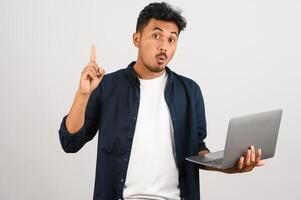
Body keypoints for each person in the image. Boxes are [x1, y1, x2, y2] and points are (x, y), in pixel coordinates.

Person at [59, 2, 264, 200]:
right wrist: (83, 94)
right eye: (156, 35)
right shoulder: (107, 86)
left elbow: (197, 150)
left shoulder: (190, 90)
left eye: (172, 39)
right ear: (136, 38)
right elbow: (70, 142)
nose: (164, 46)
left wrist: (228, 165)